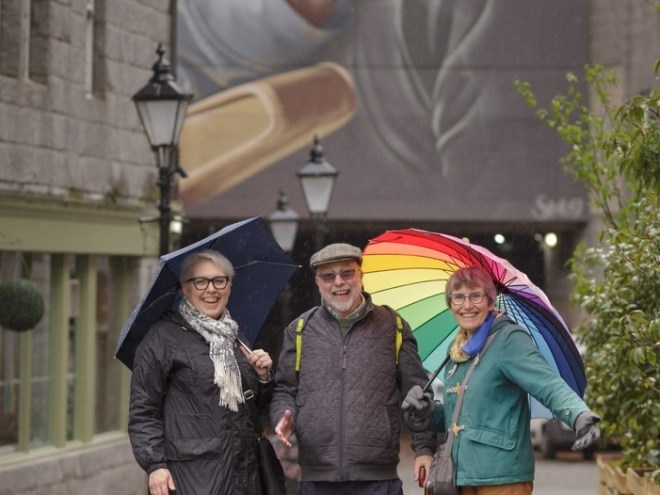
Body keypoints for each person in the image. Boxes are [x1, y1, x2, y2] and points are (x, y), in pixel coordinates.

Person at [401, 266, 601, 495]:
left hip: (502, 477)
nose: (467, 305)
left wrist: (578, 414)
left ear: (489, 301)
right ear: (450, 305)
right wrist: (427, 412)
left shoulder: (508, 339)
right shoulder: (456, 349)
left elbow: (547, 383)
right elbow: (456, 414)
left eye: (475, 296)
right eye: (458, 297)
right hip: (461, 475)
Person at [270, 243, 436, 495]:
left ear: (360, 275)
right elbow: (284, 389)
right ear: (318, 282)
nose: (339, 282)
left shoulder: (394, 326)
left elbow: (418, 393)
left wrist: (424, 449)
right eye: (329, 276)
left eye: (347, 273)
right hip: (317, 479)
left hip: (379, 480)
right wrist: (282, 416)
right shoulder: (300, 329)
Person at [128, 250, 275, 495]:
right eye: (201, 281)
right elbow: (144, 410)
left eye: (220, 280)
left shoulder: (235, 337)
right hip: (191, 476)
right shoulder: (161, 338)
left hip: (244, 475)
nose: (211, 289)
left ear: (229, 287)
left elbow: (255, 410)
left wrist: (263, 377)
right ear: (185, 289)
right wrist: (155, 464)